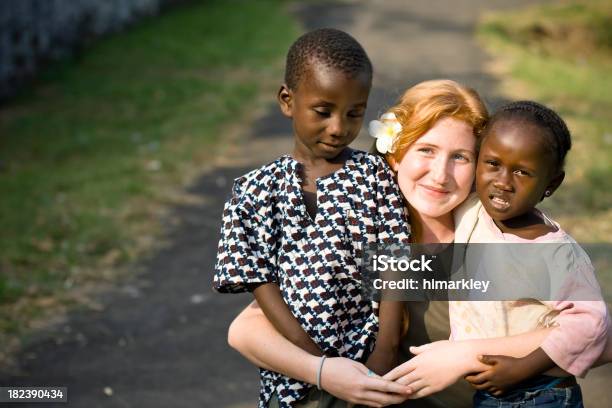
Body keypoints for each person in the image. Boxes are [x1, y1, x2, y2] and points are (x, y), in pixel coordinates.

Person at [228, 79, 553, 408]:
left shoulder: (497, 233)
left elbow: (597, 337)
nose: (440, 175)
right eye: (426, 150)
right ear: (396, 153)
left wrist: (464, 356)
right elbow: (245, 329)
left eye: (460, 157)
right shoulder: (362, 228)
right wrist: (323, 372)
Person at [213, 28, 411, 408]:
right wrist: (316, 364)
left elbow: (392, 265)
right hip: (293, 379)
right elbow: (261, 281)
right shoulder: (254, 191)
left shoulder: (374, 177)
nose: (339, 127)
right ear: (288, 101)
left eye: (355, 113)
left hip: (370, 367)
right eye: (323, 112)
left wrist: (385, 350)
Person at [445, 101, 609, 407]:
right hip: (492, 391)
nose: (503, 182)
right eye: (492, 164)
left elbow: (591, 323)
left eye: (523, 172)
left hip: (538, 393)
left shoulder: (555, 254)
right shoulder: (472, 211)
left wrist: (521, 368)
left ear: (552, 183)